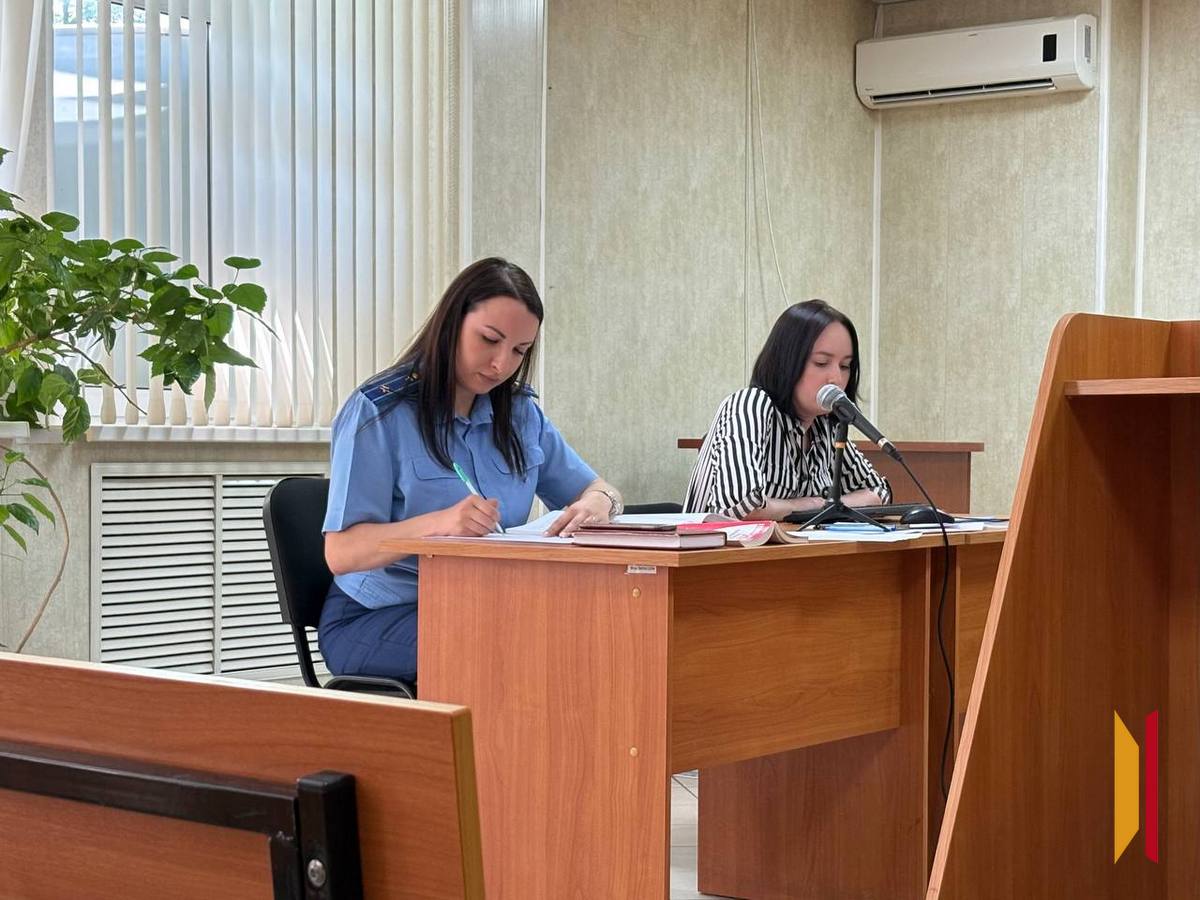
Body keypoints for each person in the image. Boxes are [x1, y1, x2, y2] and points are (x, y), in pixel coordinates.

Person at [320, 257, 623, 681]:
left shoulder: (520, 414)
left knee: (605, 625)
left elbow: (596, 488)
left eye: (519, 351)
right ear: (452, 322)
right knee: (525, 645)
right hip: (378, 615)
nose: (501, 364)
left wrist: (600, 503)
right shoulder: (379, 412)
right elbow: (341, 552)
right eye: (489, 340)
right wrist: (439, 525)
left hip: (487, 603)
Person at [682, 299, 890, 520]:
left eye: (845, 366)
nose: (837, 378)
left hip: (788, 542)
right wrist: (810, 505)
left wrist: (825, 506)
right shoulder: (750, 404)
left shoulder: (826, 425)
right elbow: (739, 505)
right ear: (787, 362)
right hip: (715, 543)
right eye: (821, 363)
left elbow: (879, 491)